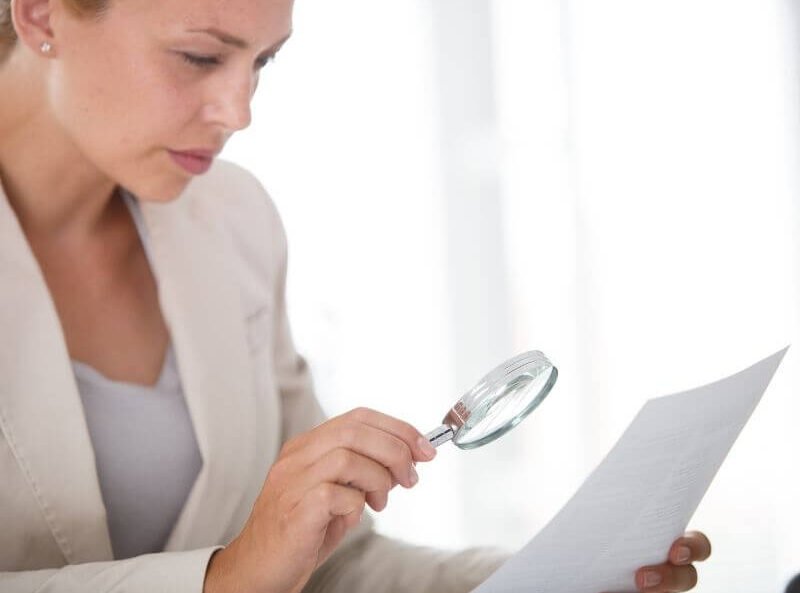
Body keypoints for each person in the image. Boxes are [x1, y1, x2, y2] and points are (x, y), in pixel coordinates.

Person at [0, 0, 713, 591]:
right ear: (39, 15)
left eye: (263, 61)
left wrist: (558, 579)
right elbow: (251, 574)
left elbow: (329, 569)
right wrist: (227, 580)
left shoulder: (233, 220)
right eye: (200, 56)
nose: (239, 111)